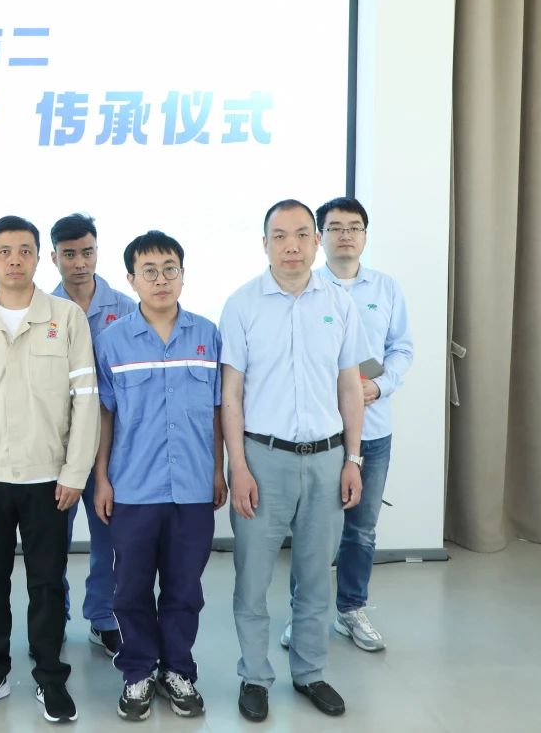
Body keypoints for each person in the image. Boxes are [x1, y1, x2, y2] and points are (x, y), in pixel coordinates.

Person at [0, 215, 100, 723]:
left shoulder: (66, 318)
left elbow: (86, 399)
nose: (15, 260)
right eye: (4, 251)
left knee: (47, 583)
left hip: (48, 479)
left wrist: (75, 472)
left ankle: (50, 676)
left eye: (25, 250)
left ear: (38, 257)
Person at [219, 200, 366, 723]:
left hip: (327, 460)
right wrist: (238, 466)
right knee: (252, 579)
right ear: (264, 244)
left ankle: (309, 672)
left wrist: (353, 458)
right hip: (263, 459)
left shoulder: (338, 303)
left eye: (303, 234)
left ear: (316, 241)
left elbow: (349, 386)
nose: (292, 246)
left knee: (315, 576)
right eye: (279, 236)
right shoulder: (242, 305)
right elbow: (231, 394)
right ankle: (254, 677)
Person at [92, 231, 227, 721]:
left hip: (193, 486)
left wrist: (218, 470)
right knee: (129, 589)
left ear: (183, 274)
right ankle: (138, 671)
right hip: (133, 488)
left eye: (170, 268)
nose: (161, 279)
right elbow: (104, 415)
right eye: (149, 271)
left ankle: (177, 670)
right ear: (131, 279)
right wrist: (102, 478)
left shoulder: (207, 334)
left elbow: (218, 410)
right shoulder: (112, 341)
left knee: (184, 589)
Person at [291, 197, 412, 651]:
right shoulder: (304, 287)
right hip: (320, 431)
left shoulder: (386, 288)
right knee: (312, 531)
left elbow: (401, 348)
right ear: (319, 237)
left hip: (373, 428)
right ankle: (304, 615)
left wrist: (378, 386)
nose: (345, 234)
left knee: (360, 529)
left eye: (354, 227)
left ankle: (350, 609)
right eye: (335, 227)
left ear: (364, 235)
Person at [48, 212, 136, 656]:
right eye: (69, 254)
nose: (79, 263)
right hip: (57, 448)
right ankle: (54, 617)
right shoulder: (43, 310)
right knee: (51, 543)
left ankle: (103, 618)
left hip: (111, 449)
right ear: (54, 258)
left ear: (98, 251)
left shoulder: (127, 308)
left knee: (109, 541)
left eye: (87, 252)